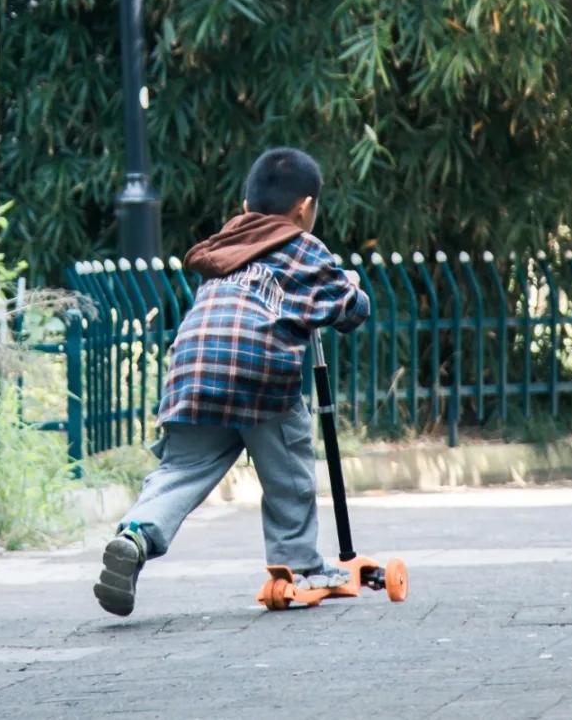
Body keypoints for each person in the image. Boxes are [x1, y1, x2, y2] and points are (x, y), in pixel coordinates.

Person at [93, 146, 370, 617]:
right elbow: (350, 307)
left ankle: (136, 533)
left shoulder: (227, 242)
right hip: (259, 369)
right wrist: (356, 291)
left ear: (245, 208)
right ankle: (298, 565)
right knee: (287, 466)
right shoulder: (302, 246)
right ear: (305, 209)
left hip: (194, 367)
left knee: (181, 470)